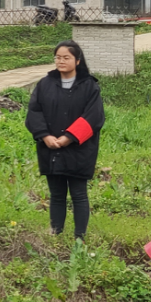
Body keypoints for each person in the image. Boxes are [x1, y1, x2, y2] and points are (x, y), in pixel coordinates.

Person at [24, 41, 104, 239]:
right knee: (57, 194)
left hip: (79, 149)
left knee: (78, 194)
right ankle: (56, 232)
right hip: (50, 148)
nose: (61, 61)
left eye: (66, 57)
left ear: (77, 61)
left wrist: (69, 137)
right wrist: (45, 136)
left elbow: (94, 117)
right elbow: (34, 112)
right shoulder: (45, 84)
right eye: (58, 57)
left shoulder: (89, 86)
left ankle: (80, 237)